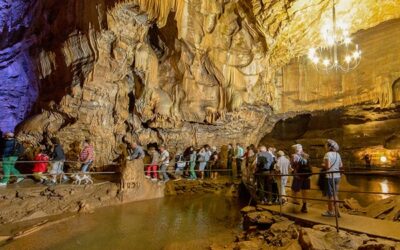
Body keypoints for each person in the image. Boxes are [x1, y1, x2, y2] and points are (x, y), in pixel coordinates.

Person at [322, 139, 343, 217]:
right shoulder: (338, 154)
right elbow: (341, 166)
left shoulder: (327, 154)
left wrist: (323, 165)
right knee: (335, 194)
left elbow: (327, 167)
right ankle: (337, 211)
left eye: (326, 145)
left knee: (330, 195)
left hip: (330, 177)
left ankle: (330, 211)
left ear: (329, 146)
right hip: (337, 176)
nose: (325, 146)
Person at [290, 144, 311, 213]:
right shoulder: (306, 155)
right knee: (304, 191)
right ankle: (304, 206)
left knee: (294, 189)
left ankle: (295, 202)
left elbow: (292, 165)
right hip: (306, 176)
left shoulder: (294, 156)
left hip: (298, 176)